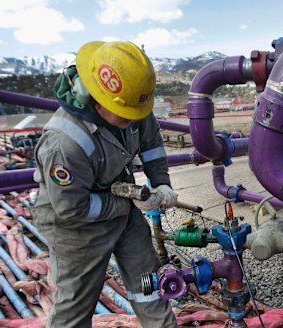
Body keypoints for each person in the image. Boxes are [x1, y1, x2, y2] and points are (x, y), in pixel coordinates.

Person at [31, 41, 178, 327]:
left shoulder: (131, 104)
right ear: (97, 100)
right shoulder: (64, 144)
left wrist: (162, 183)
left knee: (146, 282)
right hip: (75, 228)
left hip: (123, 216)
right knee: (75, 306)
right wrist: (126, 202)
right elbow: (71, 207)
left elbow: (151, 146)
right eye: (127, 114)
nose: (135, 118)